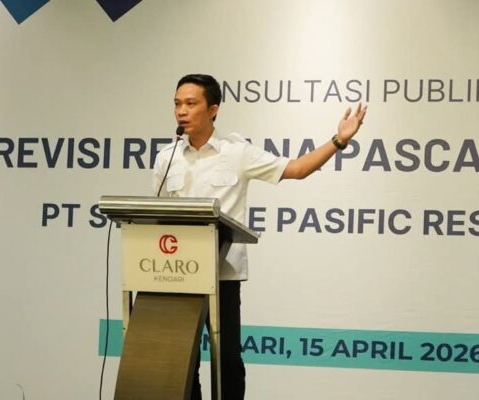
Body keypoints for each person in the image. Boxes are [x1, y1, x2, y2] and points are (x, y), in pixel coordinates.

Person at [152, 74, 367, 400]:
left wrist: (339, 140)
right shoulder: (166, 157)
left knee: (227, 361)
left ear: (213, 110)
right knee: (183, 363)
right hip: (175, 275)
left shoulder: (236, 153)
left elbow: (297, 169)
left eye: (191, 103)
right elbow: (157, 215)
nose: (181, 111)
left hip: (221, 275)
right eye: (177, 104)